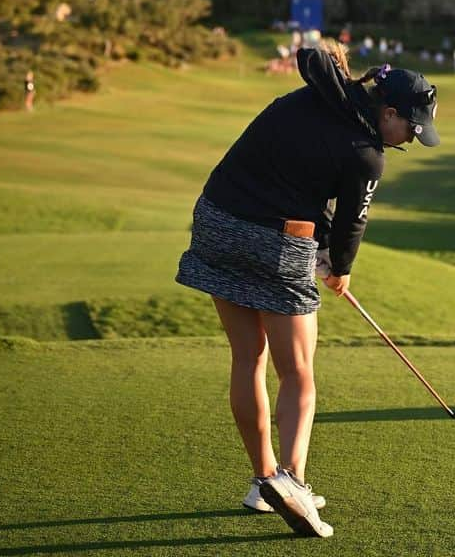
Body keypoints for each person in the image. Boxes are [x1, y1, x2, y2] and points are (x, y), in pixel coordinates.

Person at [176, 40, 440, 538]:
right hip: (275, 242)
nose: (408, 139)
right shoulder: (367, 155)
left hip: (214, 222)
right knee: (297, 370)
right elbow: (350, 227)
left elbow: (286, 175)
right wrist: (338, 266)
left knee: (247, 358)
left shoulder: (303, 99)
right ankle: (291, 480)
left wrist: (320, 249)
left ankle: (264, 481)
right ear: (387, 113)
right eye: (410, 127)